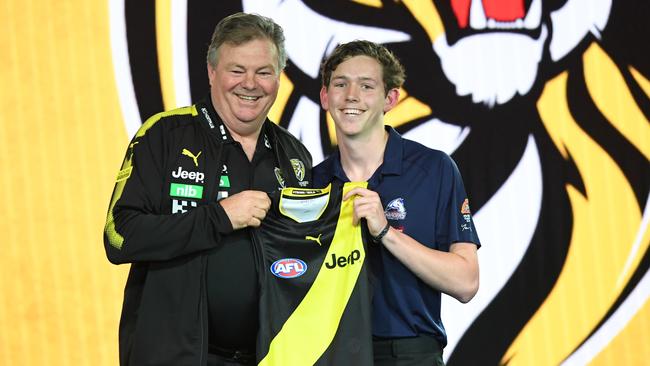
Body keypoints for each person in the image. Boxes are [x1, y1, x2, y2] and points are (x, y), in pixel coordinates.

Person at [103, 13, 311, 366]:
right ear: (212, 72)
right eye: (236, 70)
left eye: (263, 72)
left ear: (278, 79)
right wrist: (220, 217)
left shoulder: (293, 154)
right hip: (175, 356)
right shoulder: (164, 135)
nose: (250, 83)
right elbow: (118, 236)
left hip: (265, 358)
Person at [313, 40, 480, 365]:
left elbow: (466, 283)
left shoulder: (434, 169)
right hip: (331, 352)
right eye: (341, 84)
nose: (351, 96)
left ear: (391, 98)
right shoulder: (312, 182)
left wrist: (386, 232)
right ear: (325, 97)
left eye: (366, 85)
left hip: (409, 353)